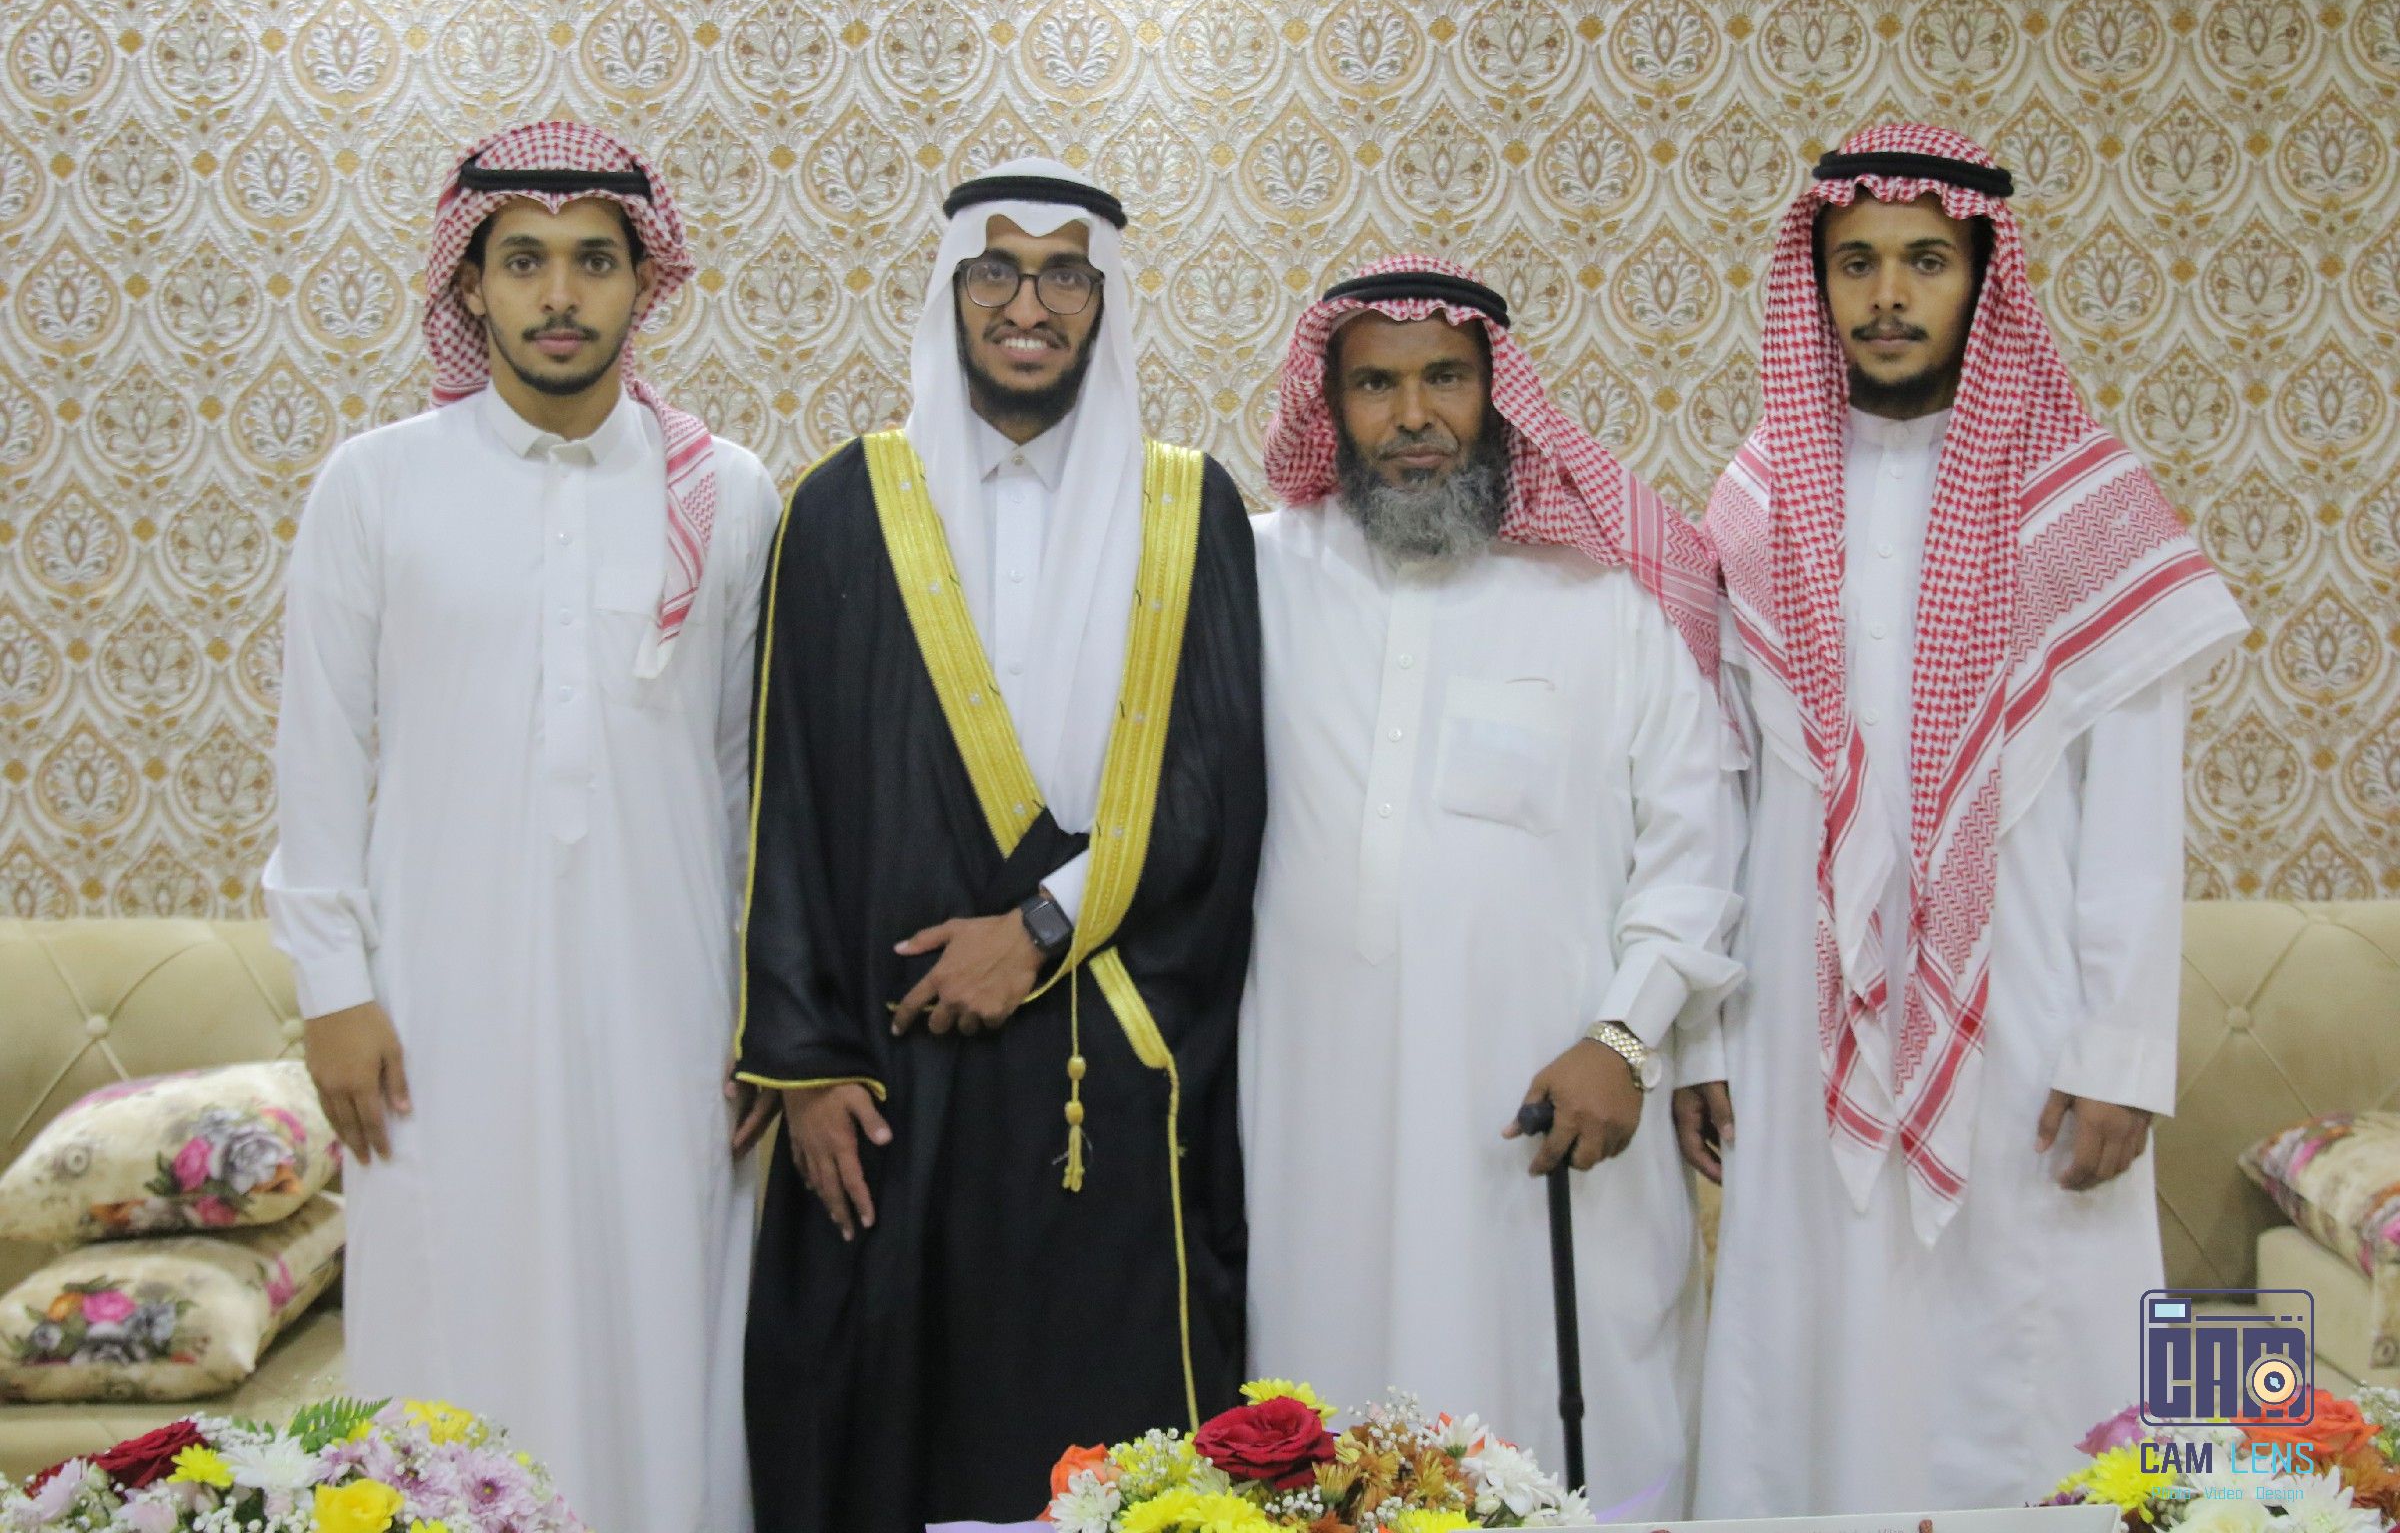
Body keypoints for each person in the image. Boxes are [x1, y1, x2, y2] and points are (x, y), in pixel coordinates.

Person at [1685, 124, 2246, 1514]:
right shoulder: (1758, 498)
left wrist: (2123, 1052)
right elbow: (1719, 787)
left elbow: (2134, 809)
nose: (1887, 295)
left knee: (2031, 1353)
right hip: (1801, 1015)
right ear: (1815, 281)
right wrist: (1701, 1029)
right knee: (1810, 1342)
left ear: (1985, 282)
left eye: (1926, 262)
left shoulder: (2083, 505)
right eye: (1857, 263)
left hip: (2031, 1026)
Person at [265, 121, 781, 1533]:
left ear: (644, 281)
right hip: (437, 1009)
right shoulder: (376, 483)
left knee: (664, 1319)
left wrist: (767, 1016)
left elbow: (748, 778)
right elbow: (322, 756)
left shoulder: (726, 493)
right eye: (525, 260)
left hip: (669, 1001)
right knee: (452, 1318)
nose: (560, 294)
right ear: (471, 283)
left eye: (595, 261)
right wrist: (333, 990)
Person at [736, 159, 1267, 1531]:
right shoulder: (842, 507)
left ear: (1105, 300)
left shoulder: (1190, 510)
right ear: (952, 289)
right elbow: (787, 801)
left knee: (1113, 1436)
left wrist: (1038, 928)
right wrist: (807, 1061)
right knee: (887, 1423)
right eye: (997, 271)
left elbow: (1216, 788)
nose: (1027, 306)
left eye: (1064, 275)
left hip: (1115, 1053)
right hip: (894, 1068)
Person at [1243, 256, 1742, 1517]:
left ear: (1498, 392)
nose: (1413, 415)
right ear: (1330, 406)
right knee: (1320, 1436)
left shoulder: (1605, 599)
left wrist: (1627, 1035)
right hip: (1312, 1124)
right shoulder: (1254, 577)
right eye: (1376, 385)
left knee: (1565, 1439)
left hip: (1551, 1115)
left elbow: (1696, 850)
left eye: (1446, 379)